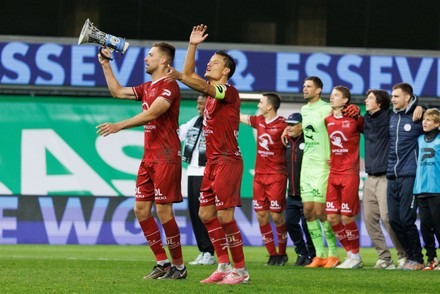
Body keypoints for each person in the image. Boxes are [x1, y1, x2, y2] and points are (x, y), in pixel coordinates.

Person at [95, 43, 186, 280]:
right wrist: (106, 64)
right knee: (141, 209)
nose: (146, 58)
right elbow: (118, 92)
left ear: (164, 60)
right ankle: (162, 262)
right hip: (149, 157)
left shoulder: (170, 86)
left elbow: (154, 112)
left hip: (166, 155)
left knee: (164, 211)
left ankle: (179, 266)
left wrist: (119, 126)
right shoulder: (147, 87)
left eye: (151, 55)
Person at [166, 24, 249, 285]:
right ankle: (223, 265)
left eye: (214, 63)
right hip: (211, 163)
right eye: (209, 61)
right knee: (205, 215)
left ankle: (241, 271)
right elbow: (189, 74)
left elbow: (191, 78)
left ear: (226, 70)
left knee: (225, 216)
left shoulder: (228, 91)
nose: (209, 65)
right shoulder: (211, 97)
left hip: (227, 161)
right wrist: (192, 46)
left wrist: (181, 76)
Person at [240, 93, 289, 266]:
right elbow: (240, 117)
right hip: (259, 176)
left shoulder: (284, 124)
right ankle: (272, 254)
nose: (259, 105)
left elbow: (298, 128)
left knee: (276, 216)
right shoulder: (258, 121)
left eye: (261, 102)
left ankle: (282, 253)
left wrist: (294, 129)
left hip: (277, 175)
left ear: (269, 107)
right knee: (261, 215)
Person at [363, 89, 407, 269]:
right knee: (368, 219)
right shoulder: (366, 119)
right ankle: (384, 258)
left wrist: (419, 106)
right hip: (369, 178)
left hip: (385, 177)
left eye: (370, 98)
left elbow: (410, 109)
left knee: (388, 218)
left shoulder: (391, 117)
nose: (366, 101)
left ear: (380, 102)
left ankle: (404, 255)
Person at [300, 76, 339, 268]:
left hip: (323, 166)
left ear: (318, 90)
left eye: (309, 86)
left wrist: (335, 156)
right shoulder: (304, 110)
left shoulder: (327, 109)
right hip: (306, 165)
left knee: (322, 212)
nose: (305, 89)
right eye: (304, 86)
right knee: (308, 212)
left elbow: (336, 132)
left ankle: (333, 253)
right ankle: (320, 255)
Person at [324, 86, 364, 269]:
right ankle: (351, 255)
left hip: (349, 173)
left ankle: (355, 257)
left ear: (346, 101)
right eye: (331, 95)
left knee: (347, 217)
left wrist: (359, 115)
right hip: (334, 174)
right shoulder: (328, 120)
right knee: (332, 218)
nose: (331, 98)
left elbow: (370, 129)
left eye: (336, 96)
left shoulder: (355, 119)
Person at [387, 82, 424, 270]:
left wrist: (422, 107)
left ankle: (417, 258)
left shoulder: (419, 116)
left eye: (396, 96)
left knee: (406, 219)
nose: (392, 99)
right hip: (392, 175)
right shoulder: (392, 117)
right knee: (393, 220)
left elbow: (436, 119)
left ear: (407, 98)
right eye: (392, 96)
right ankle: (410, 257)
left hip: (410, 174)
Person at [179, 94, 216, 265]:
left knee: (206, 214)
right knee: (194, 213)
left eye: (201, 104)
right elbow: (177, 134)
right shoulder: (194, 121)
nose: (198, 107)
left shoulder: (216, 121)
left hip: (207, 172)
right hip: (192, 172)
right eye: (197, 103)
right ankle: (204, 250)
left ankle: (211, 250)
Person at [283, 112, 316, 266]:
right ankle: (301, 252)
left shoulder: (310, 141)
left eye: (292, 124)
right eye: (287, 124)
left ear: (302, 126)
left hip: (306, 193)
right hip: (292, 193)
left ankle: (312, 254)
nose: (288, 127)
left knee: (307, 225)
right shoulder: (286, 142)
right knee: (289, 222)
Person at [413, 108, 440, 270]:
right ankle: (432, 258)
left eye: (429, 120)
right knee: (425, 226)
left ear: (437, 124)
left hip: (437, 189)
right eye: (424, 119)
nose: (425, 122)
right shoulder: (419, 139)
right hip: (421, 188)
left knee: (438, 225)